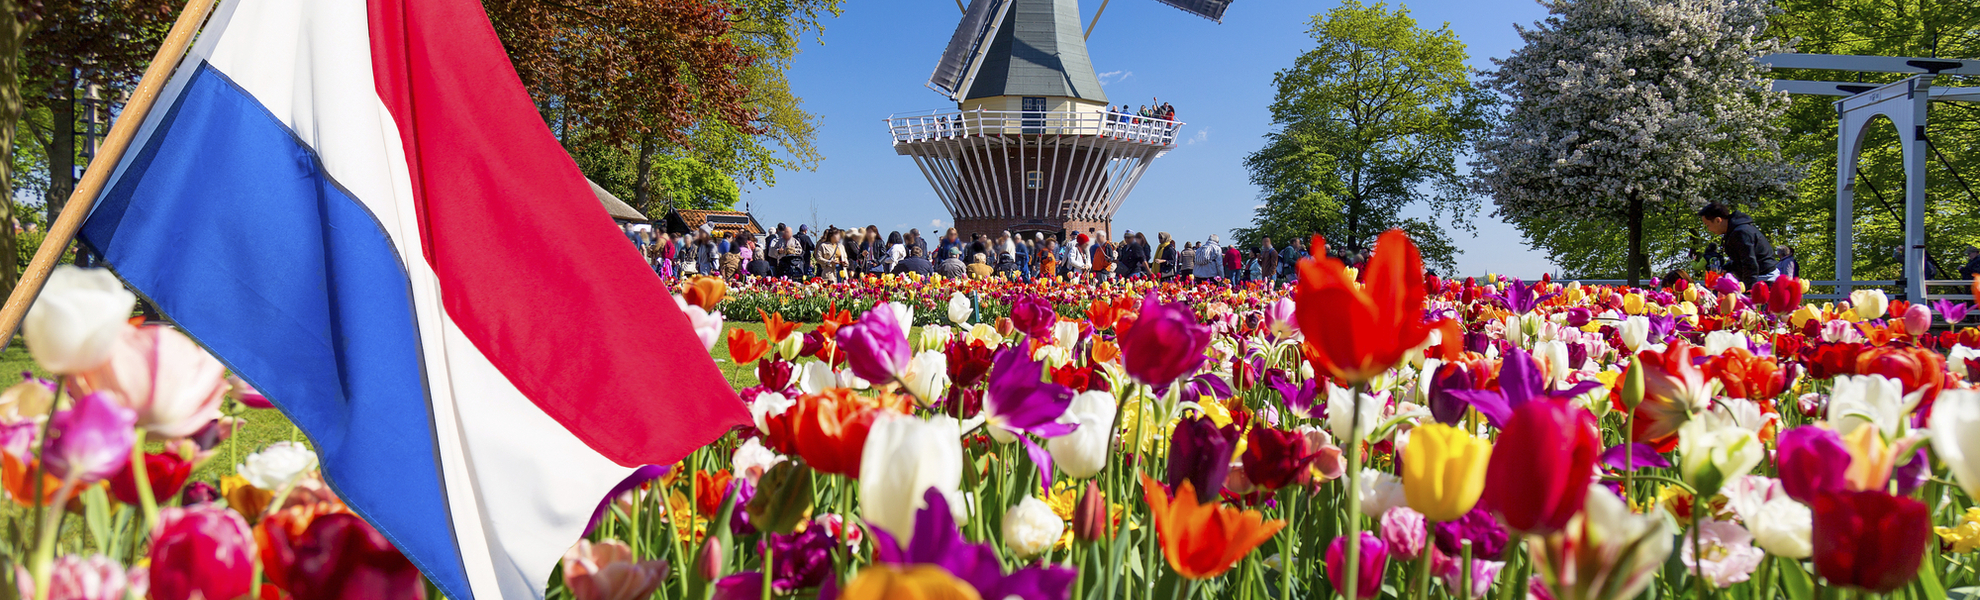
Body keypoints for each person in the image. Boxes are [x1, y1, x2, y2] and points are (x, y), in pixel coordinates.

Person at [1699, 202, 1779, 285]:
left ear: (1718, 220)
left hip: (1762, 278)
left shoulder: (1741, 232)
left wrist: (1748, 290)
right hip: (1757, 276)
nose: (1709, 229)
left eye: (1707, 225)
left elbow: (1750, 263)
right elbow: (1740, 259)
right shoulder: (1735, 231)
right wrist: (1726, 268)